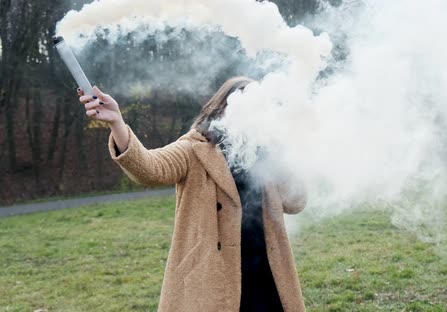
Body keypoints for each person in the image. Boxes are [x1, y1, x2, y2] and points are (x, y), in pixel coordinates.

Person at [78, 77, 307, 312]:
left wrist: (286, 151)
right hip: (211, 277)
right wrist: (117, 123)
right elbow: (150, 169)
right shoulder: (193, 148)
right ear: (221, 108)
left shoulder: (267, 153)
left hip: (267, 274)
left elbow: (296, 202)